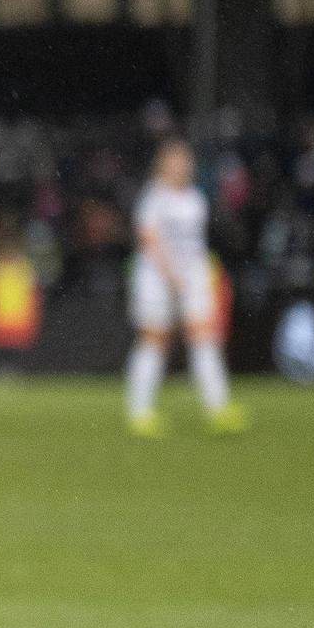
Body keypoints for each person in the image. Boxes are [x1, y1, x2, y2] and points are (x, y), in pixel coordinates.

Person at [126, 138, 246, 436]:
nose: (181, 165)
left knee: (205, 337)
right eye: (174, 159)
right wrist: (170, 275)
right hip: (156, 278)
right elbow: (149, 239)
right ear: (163, 163)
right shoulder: (154, 197)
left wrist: (199, 275)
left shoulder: (194, 197)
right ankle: (139, 412)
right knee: (154, 340)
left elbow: (195, 244)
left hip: (191, 276)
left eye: (184, 159)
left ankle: (218, 408)